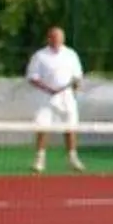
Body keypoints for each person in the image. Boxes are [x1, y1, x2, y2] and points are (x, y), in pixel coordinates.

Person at [25, 25, 87, 172]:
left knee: (70, 127)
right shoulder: (40, 56)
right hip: (45, 98)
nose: (57, 40)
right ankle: (40, 160)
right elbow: (32, 77)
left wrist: (75, 86)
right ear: (49, 39)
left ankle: (73, 159)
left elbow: (77, 76)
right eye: (54, 38)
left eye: (60, 38)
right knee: (42, 127)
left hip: (66, 97)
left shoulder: (71, 54)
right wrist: (48, 89)